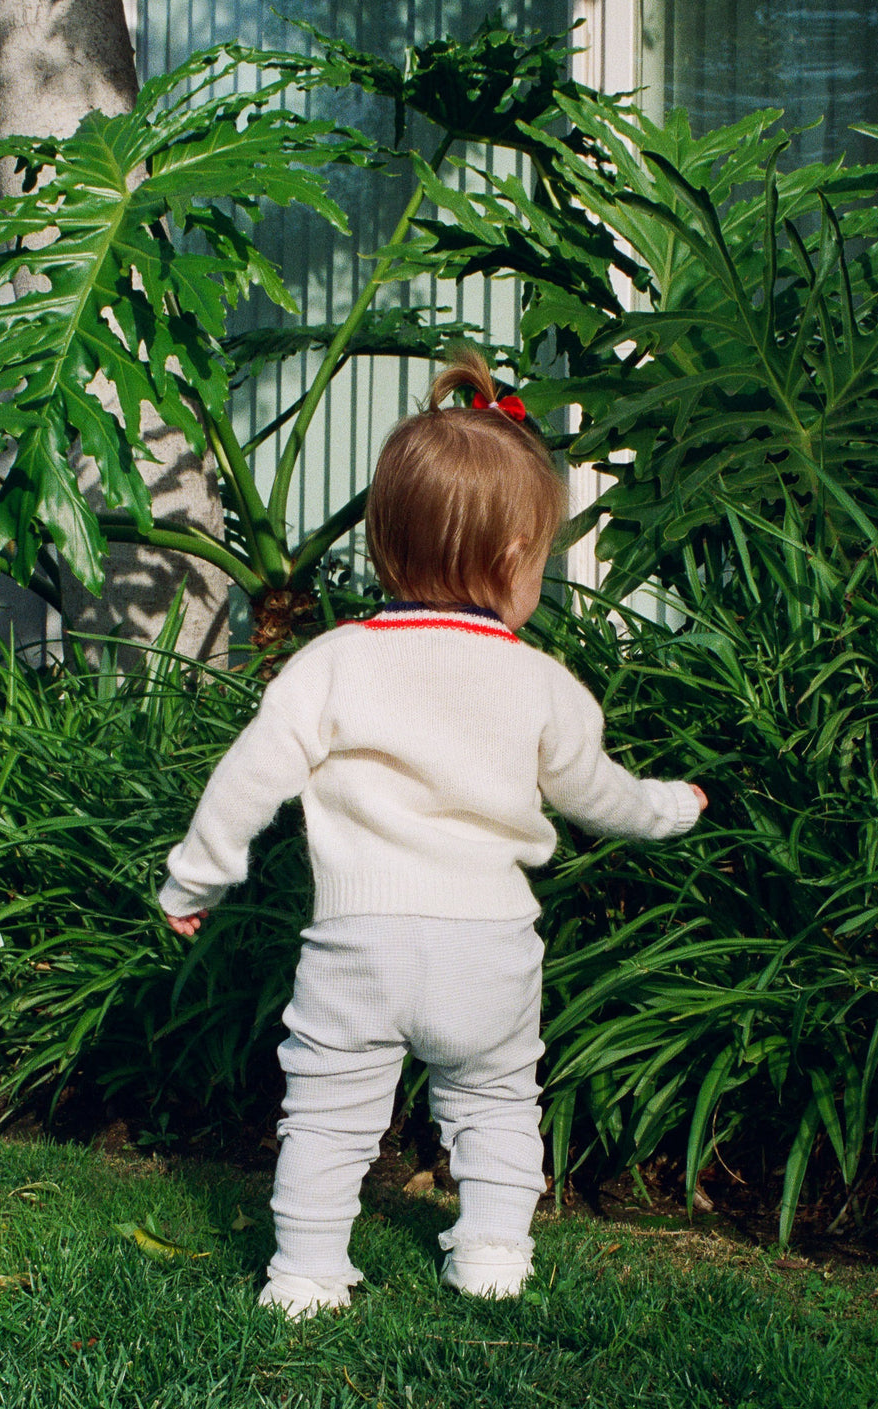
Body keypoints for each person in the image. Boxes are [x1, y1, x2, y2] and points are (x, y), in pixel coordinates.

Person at [158, 348, 707, 1318]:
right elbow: (595, 790)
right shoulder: (541, 683)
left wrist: (194, 881)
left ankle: (306, 1276)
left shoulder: (334, 662)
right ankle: (493, 1256)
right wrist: (670, 806)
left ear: (384, 548)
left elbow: (249, 776)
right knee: (496, 1103)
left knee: (326, 1120)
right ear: (513, 562)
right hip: (489, 946)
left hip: (358, 943)